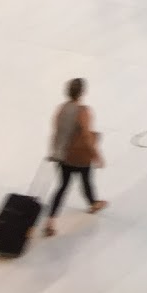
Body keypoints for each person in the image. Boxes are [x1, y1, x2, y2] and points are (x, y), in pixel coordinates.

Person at [42, 77, 107, 236]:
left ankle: (50, 221)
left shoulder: (60, 109)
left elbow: (56, 131)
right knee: (86, 179)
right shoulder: (83, 111)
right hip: (78, 156)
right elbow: (85, 136)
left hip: (62, 155)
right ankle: (93, 204)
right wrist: (96, 154)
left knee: (62, 187)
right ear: (82, 92)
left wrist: (54, 152)